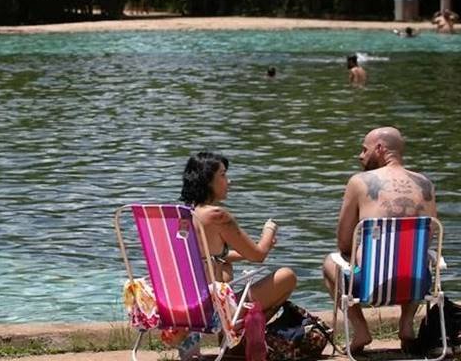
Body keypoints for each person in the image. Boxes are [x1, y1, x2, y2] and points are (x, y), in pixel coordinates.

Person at [321, 127, 437, 355]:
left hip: (369, 284)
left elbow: (344, 243)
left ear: (380, 148)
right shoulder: (425, 184)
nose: (360, 156)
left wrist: (361, 253)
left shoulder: (359, 182)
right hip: (417, 283)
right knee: (415, 255)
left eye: (364, 150)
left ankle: (361, 330)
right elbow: (429, 238)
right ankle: (406, 326)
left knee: (330, 263)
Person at [182, 152, 297, 314]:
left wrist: (246, 252)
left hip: (179, 303)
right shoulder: (216, 215)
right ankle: (241, 335)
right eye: (223, 175)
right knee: (287, 277)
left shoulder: (181, 215)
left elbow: (207, 256)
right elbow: (258, 256)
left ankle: (238, 333)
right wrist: (269, 230)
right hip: (210, 310)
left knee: (225, 265)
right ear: (207, 181)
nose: (229, 181)